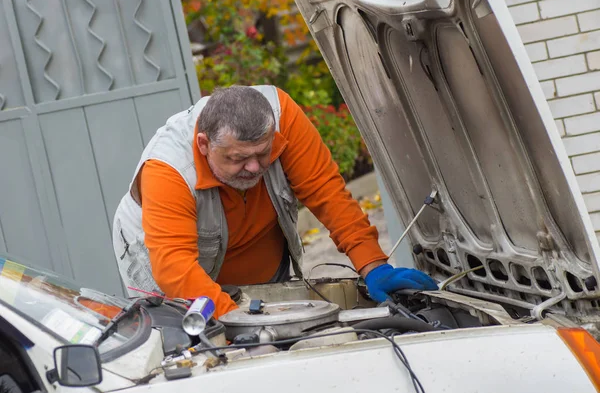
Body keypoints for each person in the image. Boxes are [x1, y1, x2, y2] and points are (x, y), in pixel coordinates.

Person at [111, 85, 437, 318]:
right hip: (167, 263)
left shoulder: (282, 116)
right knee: (189, 344)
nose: (254, 168)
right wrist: (239, 325)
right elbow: (174, 267)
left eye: (263, 154)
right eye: (239, 158)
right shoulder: (167, 170)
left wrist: (373, 266)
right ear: (204, 144)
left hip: (255, 254)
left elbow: (327, 193)